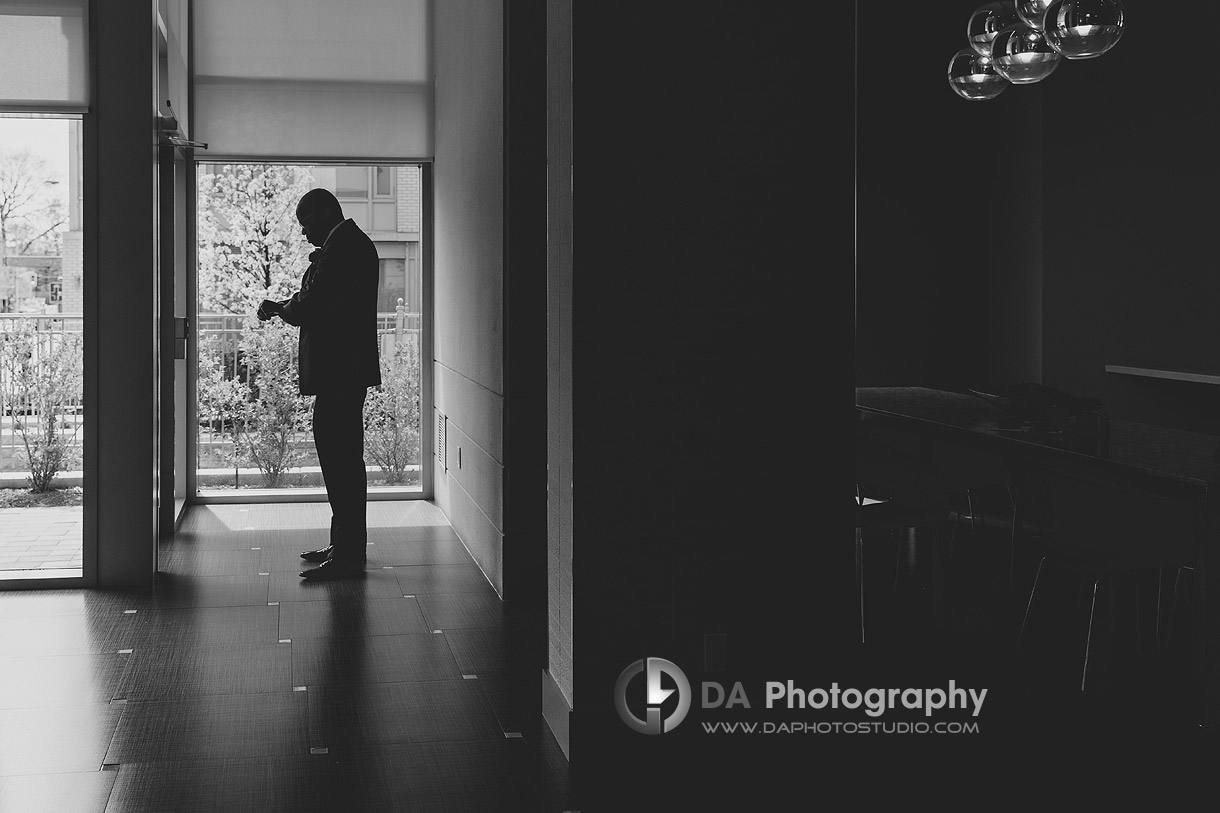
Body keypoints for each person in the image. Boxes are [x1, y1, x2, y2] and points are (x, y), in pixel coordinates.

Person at [257, 188, 381, 580]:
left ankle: (346, 554)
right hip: (342, 371)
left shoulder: (344, 248)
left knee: (340, 461)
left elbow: (314, 302)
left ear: (325, 213)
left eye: (306, 223)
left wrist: (281, 308)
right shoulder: (348, 244)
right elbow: (318, 297)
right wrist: (287, 306)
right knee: (341, 460)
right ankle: (343, 545)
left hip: (340, 371)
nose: (304, 233)